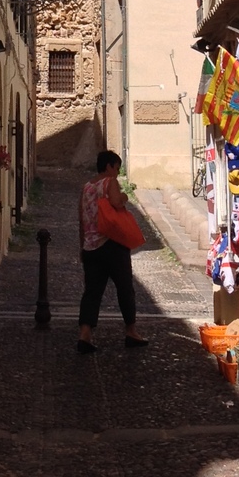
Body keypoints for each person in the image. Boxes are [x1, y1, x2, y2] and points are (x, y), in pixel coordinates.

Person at [77, 149, 148, 353]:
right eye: (116, 168)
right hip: (112, 244)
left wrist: (82, 246)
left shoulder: (86, 188)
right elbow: (116, 202)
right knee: (125, 288)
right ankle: (131, 331)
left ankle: (85, 334)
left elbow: (81, 219)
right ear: (108, 166)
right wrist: (125, 196)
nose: (117, 172)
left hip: (91, 246)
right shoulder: (109, 182)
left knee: (92, 292)